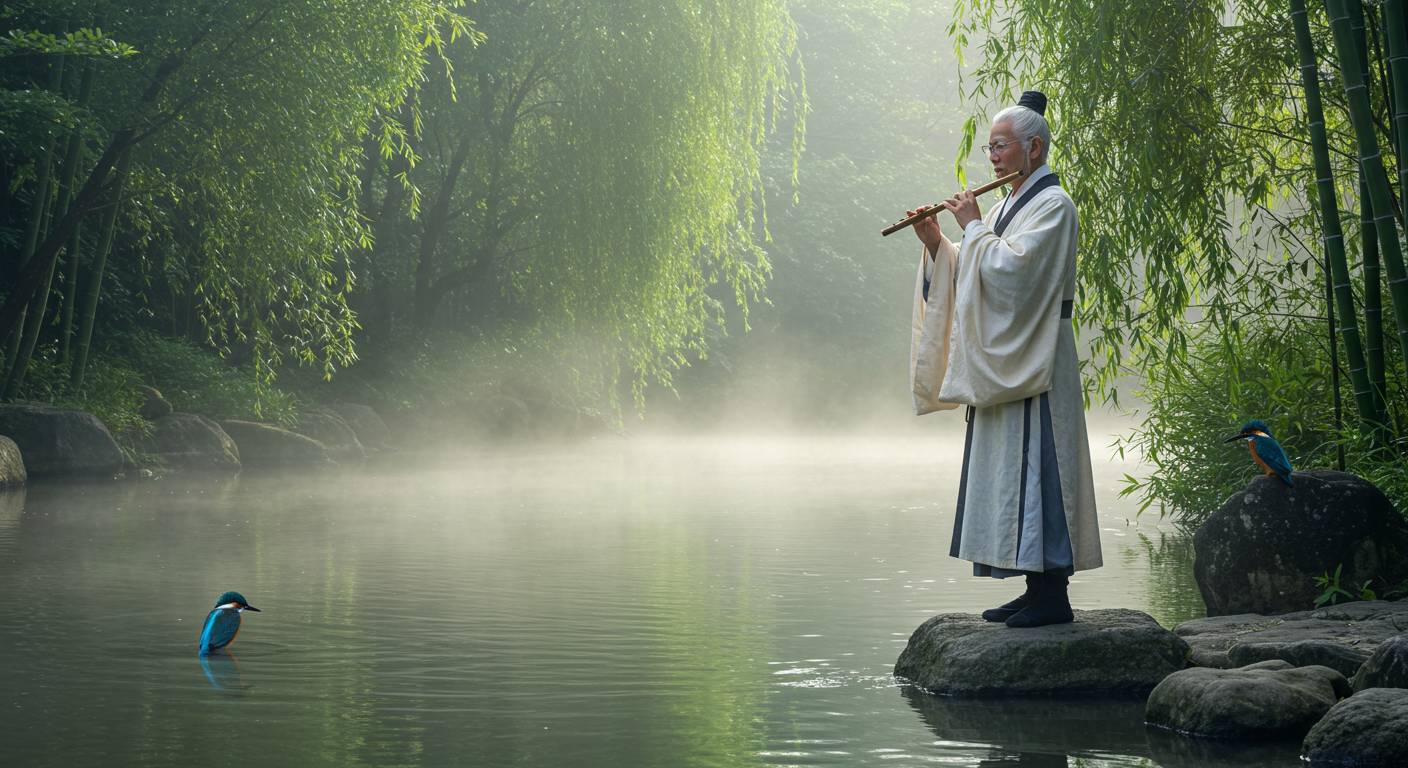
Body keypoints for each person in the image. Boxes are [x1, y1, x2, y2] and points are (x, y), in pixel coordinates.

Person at [906, 90, 1101, 628]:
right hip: (1005, 356)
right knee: (1010, 469)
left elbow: (1016, 277)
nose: (991, 156)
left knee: (1042, 463)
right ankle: (1032, 586)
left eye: (1000, 145)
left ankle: (1052, 594)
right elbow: (974, 267)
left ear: (1034, 148)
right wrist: (936, 243)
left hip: (1036, 354)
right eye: (989, 146)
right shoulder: (1002, 208)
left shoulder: (1054, 206)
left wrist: (970, 228)